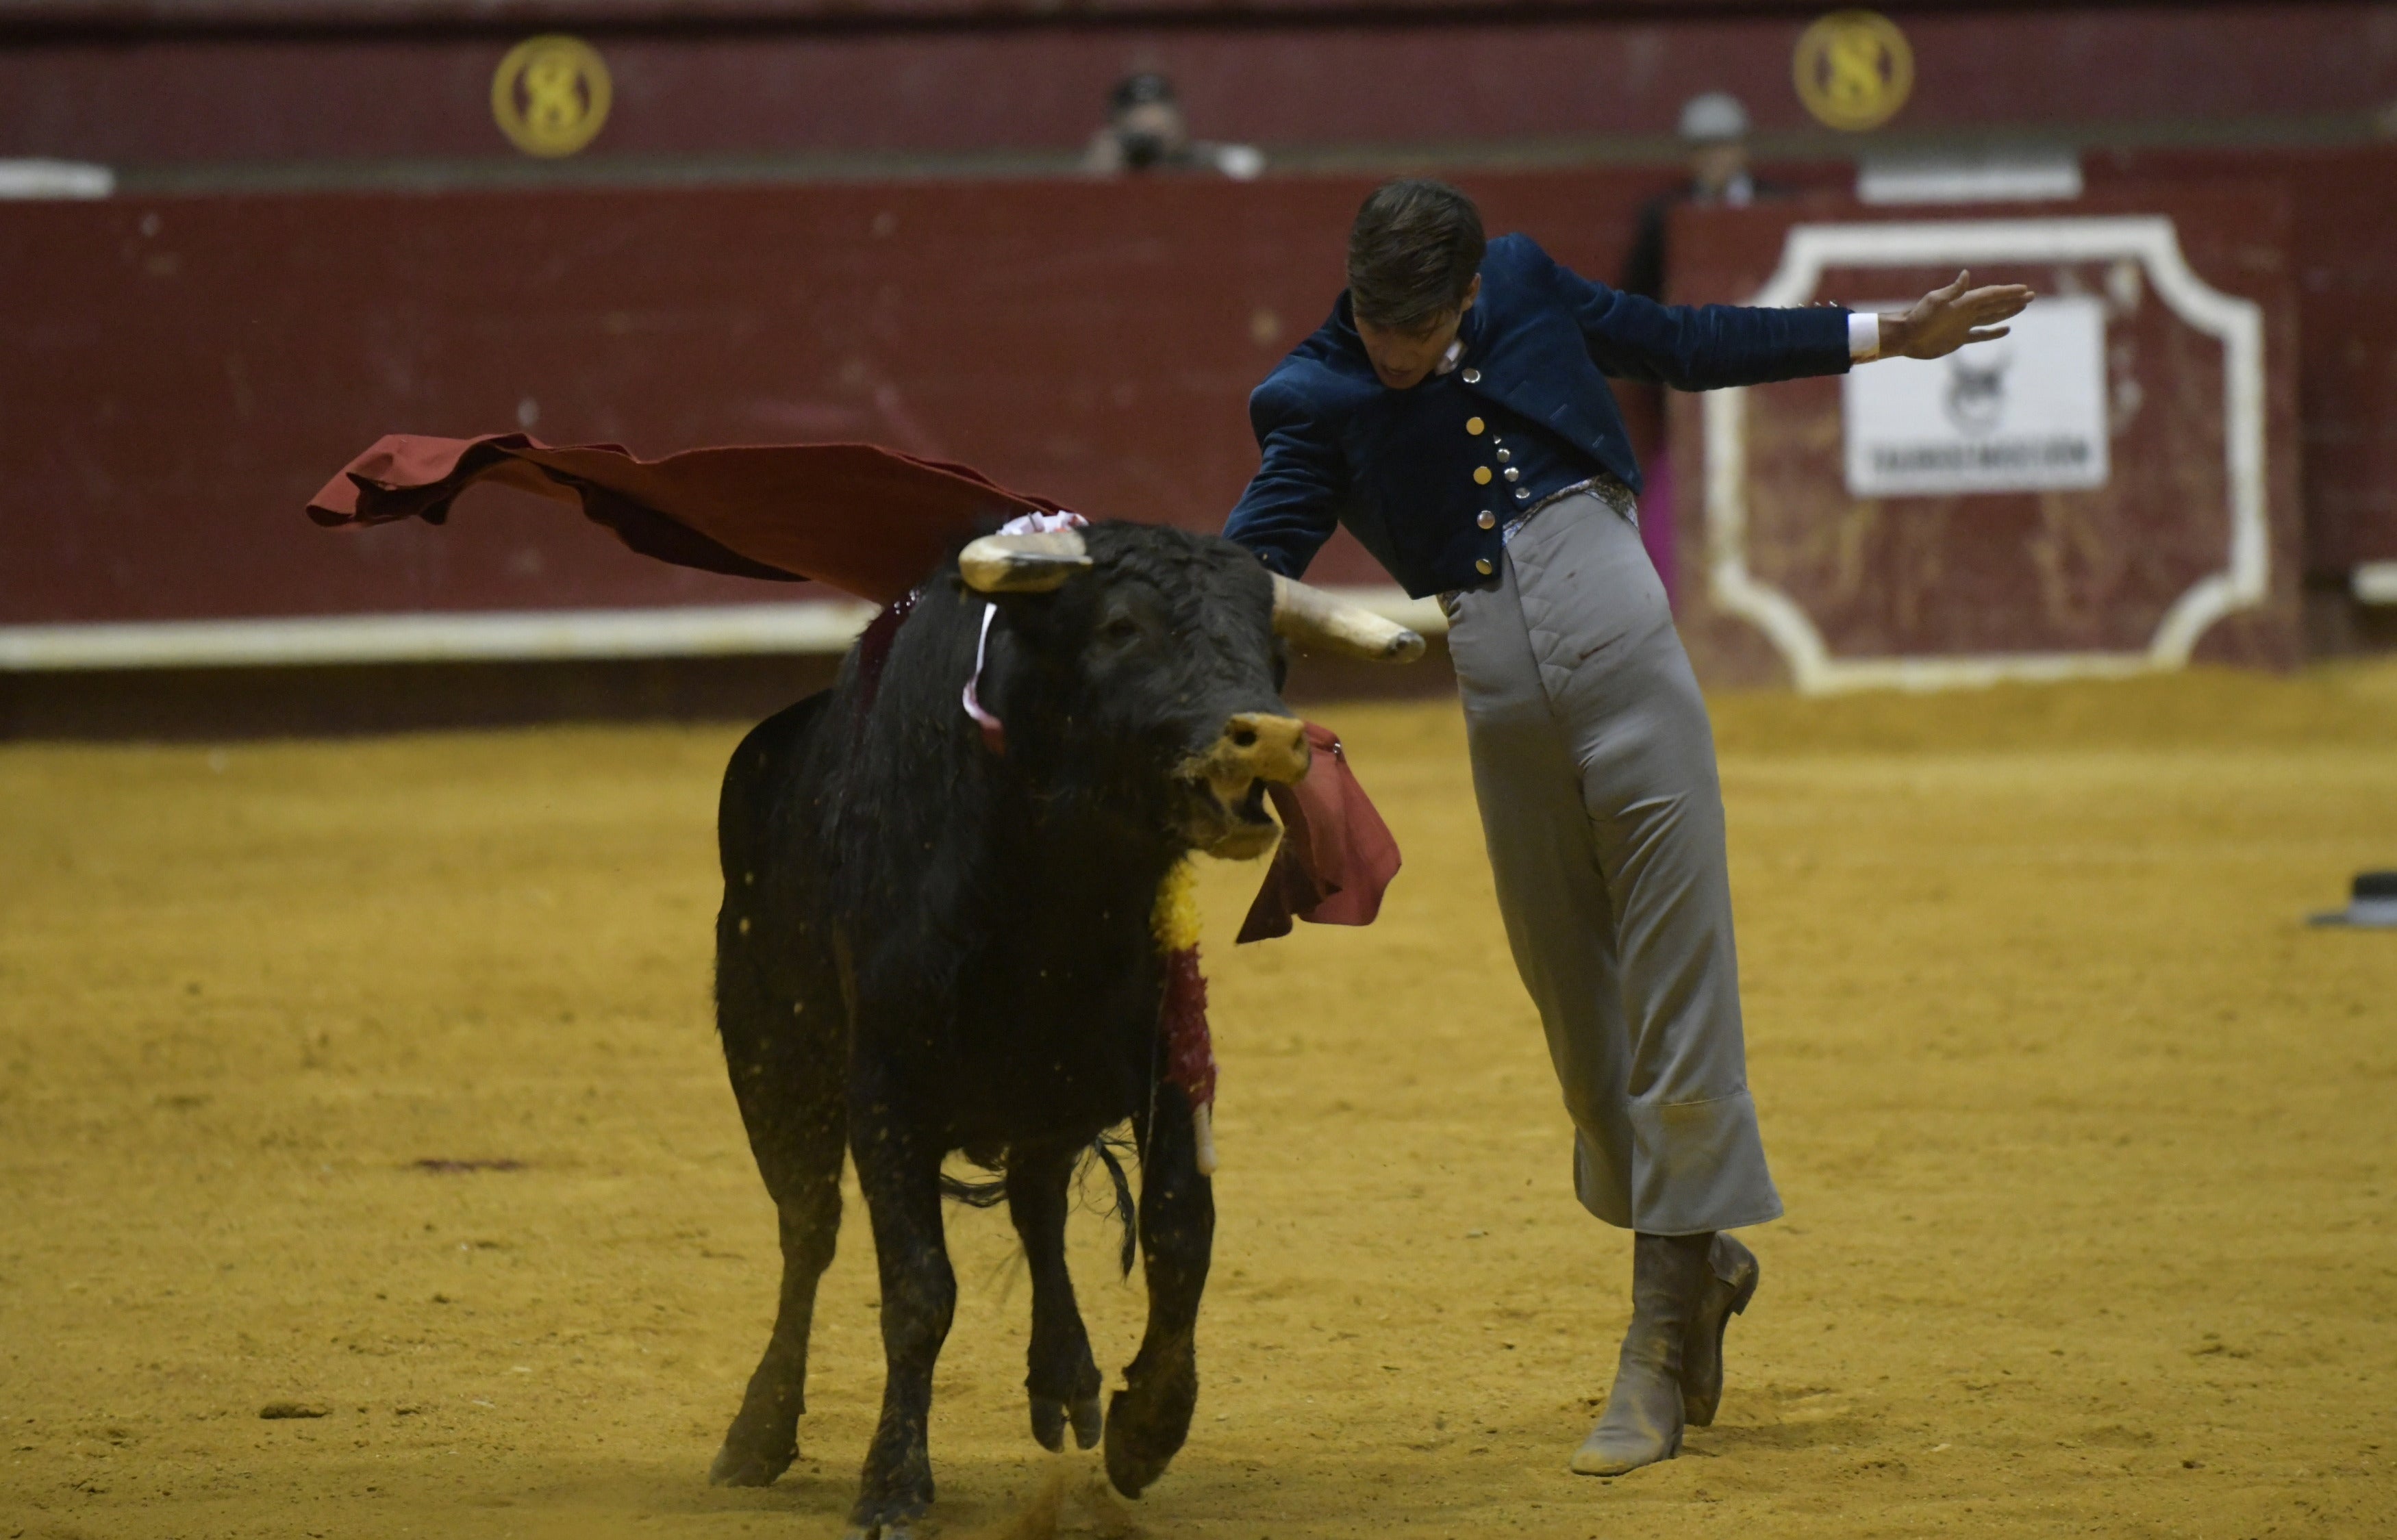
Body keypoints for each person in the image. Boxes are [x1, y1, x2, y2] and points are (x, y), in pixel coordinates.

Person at [1222, 179, 2029, 1478]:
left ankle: (1653, 1352)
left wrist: (1889, 332)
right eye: (1380, 329)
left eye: (1419, 332)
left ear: (1471, 292)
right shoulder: (1314, 396)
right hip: (1506, 721)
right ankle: (1703, 1258)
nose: (1397, 356)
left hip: (1638, 683)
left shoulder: (1531, 280)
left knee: (1677, 996)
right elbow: (1255, 555)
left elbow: (1686, 340)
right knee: (1584, 1042)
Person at [1621, 92, 1779, 305]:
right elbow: (1641, 289)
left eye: (1723, 146)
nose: (1713, 158)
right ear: (1688, 155)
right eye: (1702, 148)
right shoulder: (1663, 214)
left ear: (1743, 149)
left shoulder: (1775, 202)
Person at [1082, 71, 1264, 180]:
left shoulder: (1203, 161)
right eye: (1141, 137)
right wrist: (1097, 176)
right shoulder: (1108, 165)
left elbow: (1249, 165)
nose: (1150, 146)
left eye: (1159, 133)